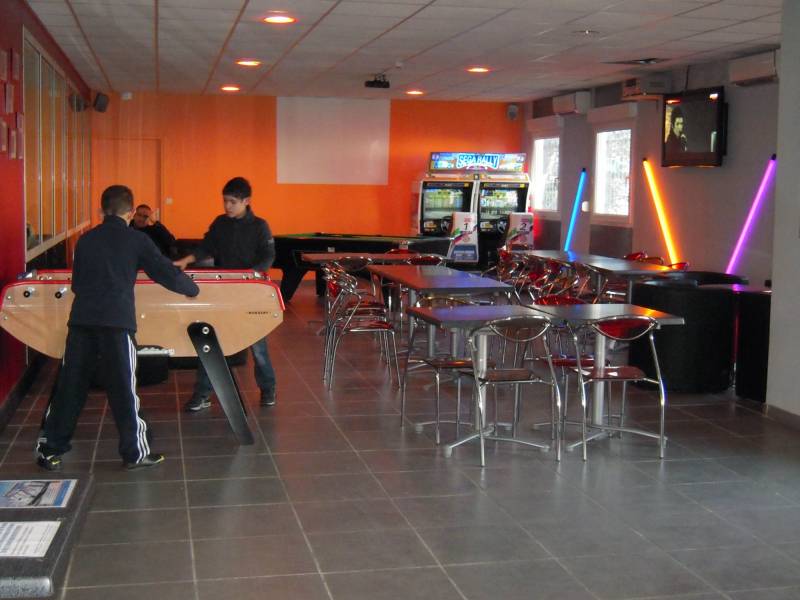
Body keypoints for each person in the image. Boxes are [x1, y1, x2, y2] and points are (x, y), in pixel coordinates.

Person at [36, 185, 200, 472]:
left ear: (102, 210)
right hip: (116, 324)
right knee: (124, 389)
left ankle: (50, 449)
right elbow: (165, 272)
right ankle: (135, 453)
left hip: (81, 322)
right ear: (131, 212)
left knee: (70, 387)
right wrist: (192, 290)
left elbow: (77, 283)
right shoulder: (136, 240)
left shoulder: (85, 240)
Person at [173, 177, 278, 411]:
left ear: (246, 201)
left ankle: (268, 388)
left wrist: (253, 274)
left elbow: (268, 255)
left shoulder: (260, 226)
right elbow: (206, 247)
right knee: (210, 342)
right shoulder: (220, 223)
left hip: (250, 292)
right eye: (225, 201)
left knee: (257, 345)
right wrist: (186, 260)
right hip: (224, 291)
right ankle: (203, 393)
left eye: (232, 202)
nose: (227, 206)